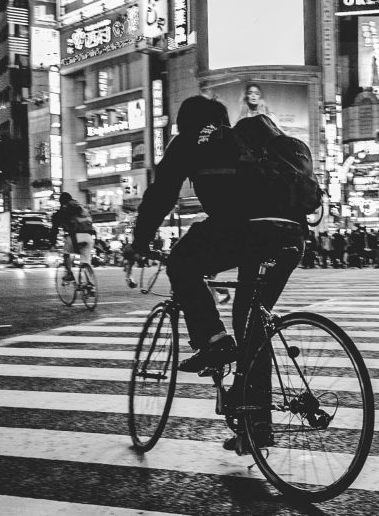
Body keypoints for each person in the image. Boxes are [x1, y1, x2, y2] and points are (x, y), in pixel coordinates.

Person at [131, 96, 306, 453]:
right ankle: (254, 426)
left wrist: (139, 242)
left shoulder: (192, 140)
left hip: (245, 231)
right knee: (251, 322)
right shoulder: (256, 141)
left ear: (184, 124)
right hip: (292, 234)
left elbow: (161, 195)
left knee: (181, 262)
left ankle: (213, 339)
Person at [49, 192, 96, 280]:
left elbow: (54, 230)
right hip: (88, 237)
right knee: (86, 261)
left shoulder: (62, 212)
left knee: (66, 253)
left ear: (61, 202)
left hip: (74, 238)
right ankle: (91, 284)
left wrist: (52, 243)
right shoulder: (82, 208)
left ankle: (69, 273)